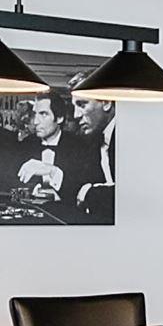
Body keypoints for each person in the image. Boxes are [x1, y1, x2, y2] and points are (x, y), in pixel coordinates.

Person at [65, 79, 117, 223]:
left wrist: (91, 193)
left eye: (82, 104)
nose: (76, 115)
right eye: (74, 107)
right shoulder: (92, 141)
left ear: (106, 103)